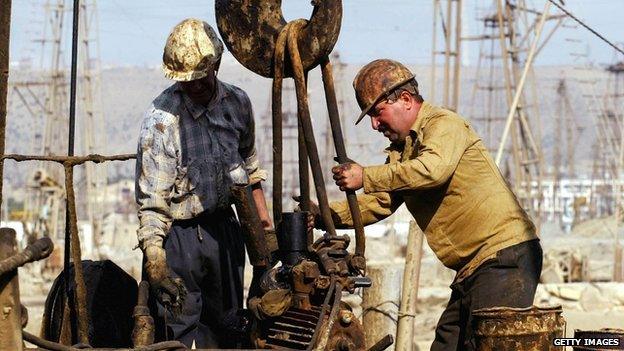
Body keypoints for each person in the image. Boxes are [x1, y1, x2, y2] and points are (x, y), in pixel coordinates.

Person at [320, 59, 542, 350]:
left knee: (488, 345)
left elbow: (432, 170)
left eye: (377, 113)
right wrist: (321, 214)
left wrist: (366, 176)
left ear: (406, 100)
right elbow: (378, 203)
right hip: (473, 269)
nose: (375, 125)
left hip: (504, 258)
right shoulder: (403, 153)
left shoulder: (444, 125)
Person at [135, 18, 272, 348]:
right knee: (175, 332)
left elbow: (251, 173)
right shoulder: (161, 121)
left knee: (229, 328)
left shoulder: (238, 104)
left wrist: (264, 226)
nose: (193, 86)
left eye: (199, 78)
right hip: (179, 240)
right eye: (186, 82)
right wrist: (156, 259)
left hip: (225, 231)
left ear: (216, 65)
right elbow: (152, 200)